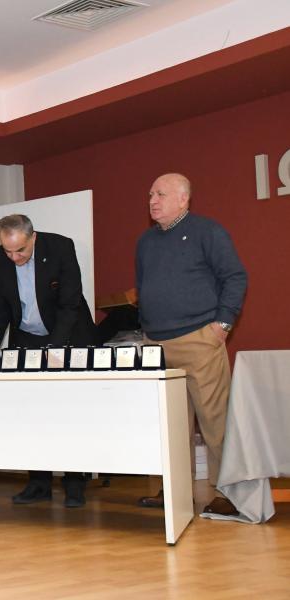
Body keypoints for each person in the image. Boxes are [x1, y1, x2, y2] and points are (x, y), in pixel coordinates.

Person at [136, 173, 247, 516]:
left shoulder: (207, 231)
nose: (152, 201)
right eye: (151, 194)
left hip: (199, 339)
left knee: (215, 421)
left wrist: (222, 325)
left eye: (161, 194)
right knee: (170, 425)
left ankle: (227, 493)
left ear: (183, 199)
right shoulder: (146, 241)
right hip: (156, 344)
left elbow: (235, 277)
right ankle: (174, 491)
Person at [0, 214, 97, 508]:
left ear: (33, 237)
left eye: (20, 250)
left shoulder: (60, 248)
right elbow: (1, 311)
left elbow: (70, 304)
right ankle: (39, 483)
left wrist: (54, 349)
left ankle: (74, 483)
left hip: (68, 334)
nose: (14, 257)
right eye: (8, 251)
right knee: (32, 413)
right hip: (27, 339)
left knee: (70, 414)